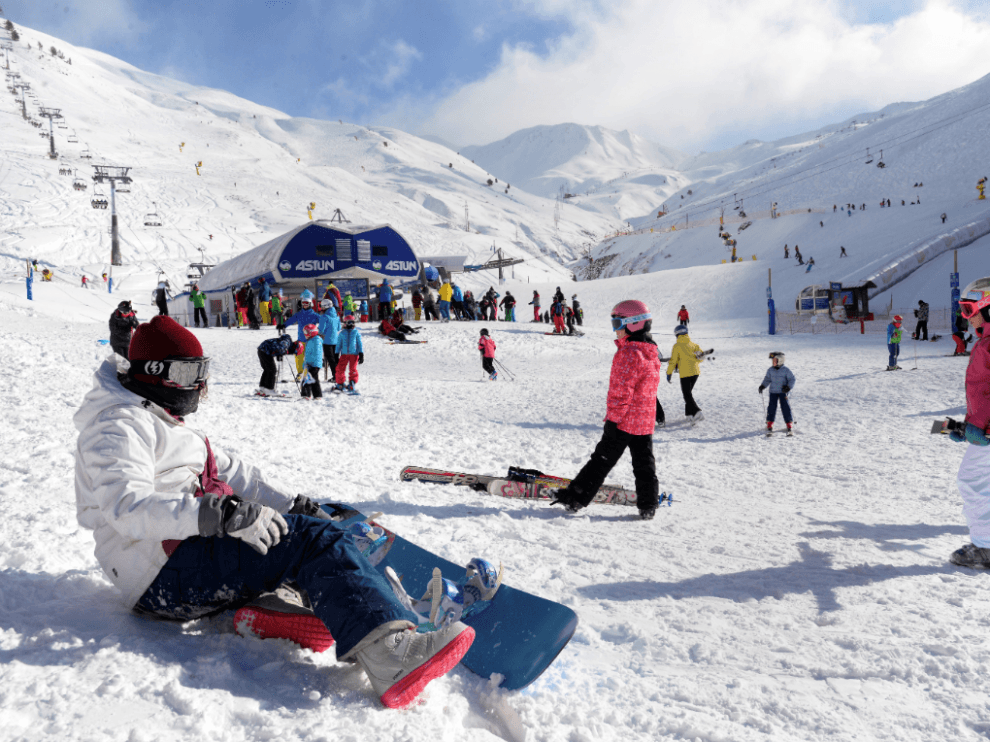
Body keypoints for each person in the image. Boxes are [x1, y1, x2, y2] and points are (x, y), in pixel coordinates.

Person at [74, 316, 473, 708]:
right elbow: (126, 507)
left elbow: (236, 474)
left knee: (300, 530)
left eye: (201, 372)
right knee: (313, 542)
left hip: (178, 558)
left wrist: (292, 505)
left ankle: (272, 607)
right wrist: (223, 514)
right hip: (155, 573)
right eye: (186, 372)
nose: (197, 384)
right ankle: (392, 657)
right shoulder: (118, 425)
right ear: (157, 372)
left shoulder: (158, 413)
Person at [549, 300, 662, 520]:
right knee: (644, 464)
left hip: (624, 421)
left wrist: (613, 420)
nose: (616, 329)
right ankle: (648, 505)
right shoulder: (651, 352)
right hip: (644, 421)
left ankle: (575, 499)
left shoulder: (629, 353)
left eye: (618, 322)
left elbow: (621, 392)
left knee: (600, 461)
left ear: (634, 324)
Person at [947, 279, 990, 568]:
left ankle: (985, 549)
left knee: (972, 480)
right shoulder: (984, 341)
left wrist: (983, 427)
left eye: (968, 308)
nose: (966, 315)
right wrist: (967, 425)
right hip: (983, 426)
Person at [667, 324, 704, 422]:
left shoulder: (677, 346)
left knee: (687, 395)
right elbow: (701, 358)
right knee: (688, 394)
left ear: (677, 335)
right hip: (695, 373)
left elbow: (673, 361)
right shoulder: (694, 345)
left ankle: (697, 412)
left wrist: (669, 373)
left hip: (685, 374)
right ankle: (689, 414)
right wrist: (696, 357)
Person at [283, 290, 321, 377]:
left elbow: (323, 322)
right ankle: (300, 373)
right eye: (303, 303)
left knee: (310, 358)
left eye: (307, 303)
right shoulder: (299, 314)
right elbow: (291, 320)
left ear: (310, 304)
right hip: (301, 339)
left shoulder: (314, 315)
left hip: (311, 341)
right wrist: (283, 325)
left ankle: (310, 373)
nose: (304, 305)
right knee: (298, 357)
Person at [759, 352, 796, 435]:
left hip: (783, 392)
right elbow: (767, 379)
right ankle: (769, 423)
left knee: (785, 407)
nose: (773, 362)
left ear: (780, 361)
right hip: (773, 392)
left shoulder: (786, 370)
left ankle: (789, 423)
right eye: (773, 361)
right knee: (771, 408)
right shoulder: (770, 370)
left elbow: (792, 379)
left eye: (775, 360)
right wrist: (762, 386)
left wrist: (788, 387)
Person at [335, 314, 364, 393]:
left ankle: (352, 382)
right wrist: (336, 353)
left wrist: (361, 353)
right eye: (348, 322)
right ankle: (340, 383)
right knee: (340, 369)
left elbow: (359, 343)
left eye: (352, 322)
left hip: (354, 354)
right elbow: (338, 344)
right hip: (344, 354)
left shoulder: (356, 332)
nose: (350, 324)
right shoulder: (342, 333)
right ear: (345, 323)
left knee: (353, 369)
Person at [319, 300, 341, 382]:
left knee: (330, 359)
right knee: (336, 359)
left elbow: (321, 330)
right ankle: (339, 375)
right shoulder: (337, 316)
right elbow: (339, 328)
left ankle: (335, 376)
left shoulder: (324, 317)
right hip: (336, 340)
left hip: (327, 341)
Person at [300, 324, 324, 399]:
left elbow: (317, 353)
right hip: (310, 364)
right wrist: (305, 363)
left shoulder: (317, 340)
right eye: (304, 332)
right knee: (313, 380)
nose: (305, 334)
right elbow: (308, 354)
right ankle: (317, 395)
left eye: (306, 332)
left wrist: (311, 363)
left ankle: (306, 395)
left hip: (314, 364)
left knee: (308, 379)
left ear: (312, 332)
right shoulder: (311, 340)